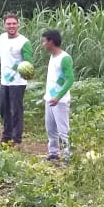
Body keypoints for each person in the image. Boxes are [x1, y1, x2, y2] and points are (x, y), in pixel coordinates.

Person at [0, 13, 32, 147]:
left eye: (14, 23)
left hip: (18, 82)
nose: (11, 26)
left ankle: (16, 139)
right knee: (4, 109)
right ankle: (6, 135)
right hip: (5, 81)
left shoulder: (24, 42)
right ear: (4, 25)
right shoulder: (2, 38)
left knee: (16, 110)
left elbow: (28, 62)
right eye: (8, 23)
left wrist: (21, 69)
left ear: (18, 24)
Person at [42, 29, 74, 164]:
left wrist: (58, 97)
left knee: (63, 131)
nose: (43, 44)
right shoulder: (53, 56)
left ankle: (68, 157)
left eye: (45, 41)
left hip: (60, 101)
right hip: (49, 99)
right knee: (50, 129)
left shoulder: (64, 58)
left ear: (51, 41)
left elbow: (70, 79)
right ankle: (53, 153)